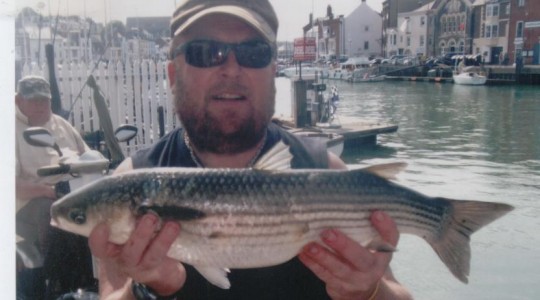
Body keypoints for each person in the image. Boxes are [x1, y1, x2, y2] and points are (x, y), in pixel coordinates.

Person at [88, 1, 413, 299]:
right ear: (173, 75)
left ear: (272, 72)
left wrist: (368, 291)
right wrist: (149, 289)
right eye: (205, 52)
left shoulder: (327, 173)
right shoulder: (130, 185)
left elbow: (398, 293)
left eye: (254, 52)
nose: (231, 69)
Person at [15, 75, 91, 298]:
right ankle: (56, 284)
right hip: (29, 200)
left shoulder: (61, 124)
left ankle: (94, 279)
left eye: (45, 100)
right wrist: (47, 191)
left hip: (70, 190)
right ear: (19, 101)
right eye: (34, 101)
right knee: (54, 215)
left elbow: (88, 155)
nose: (41, 106)